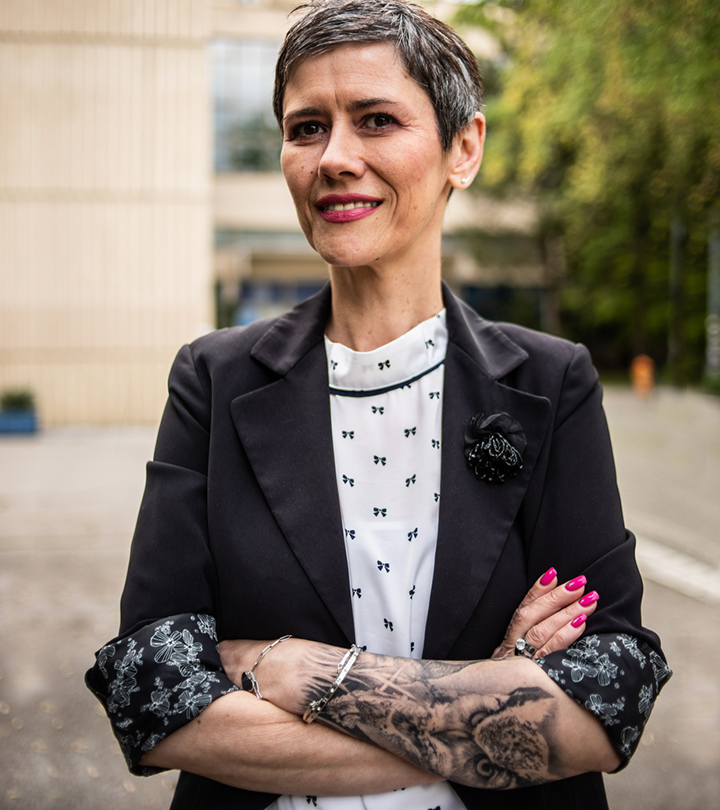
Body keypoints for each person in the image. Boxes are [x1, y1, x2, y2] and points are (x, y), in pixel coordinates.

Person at [86, 2, 671, 808]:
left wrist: (296, 669)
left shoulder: (550, 382)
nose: (335, 158)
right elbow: (152, 695)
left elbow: (608, 701)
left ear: (463, 147)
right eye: (306, 128)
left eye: (376, 120)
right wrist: (491, 696)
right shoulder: (214, 382)